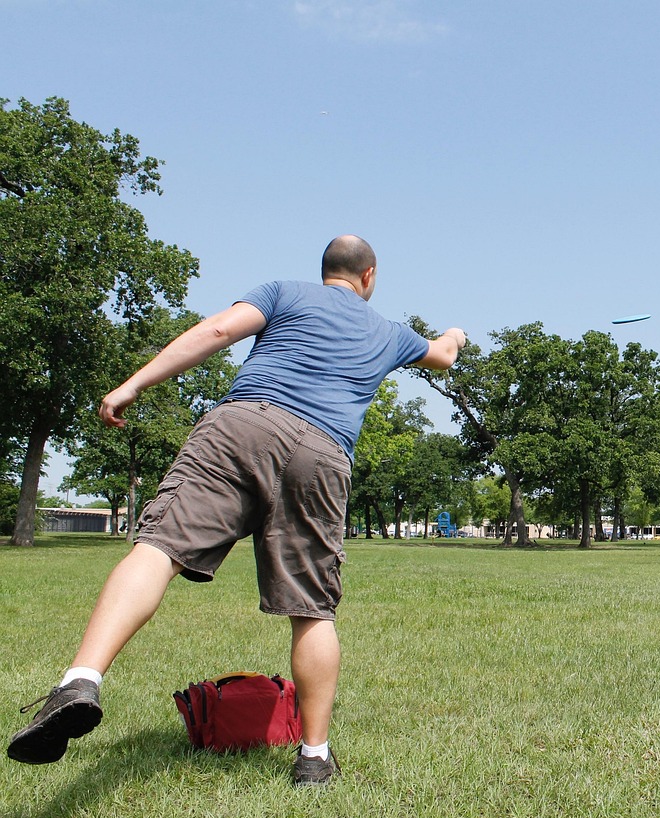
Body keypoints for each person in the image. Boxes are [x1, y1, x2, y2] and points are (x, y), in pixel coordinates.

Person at [7, 235, 466, 786]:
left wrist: (134, 384)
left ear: (326, 271)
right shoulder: (389, 331)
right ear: (369, 277)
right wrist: (455, 335)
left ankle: (82, 679)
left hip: (242, 425)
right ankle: (314, 758)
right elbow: (441, 357)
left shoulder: (283, 292)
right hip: (323, 453)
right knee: (313, 609)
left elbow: (219, 331)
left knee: (159, 547)